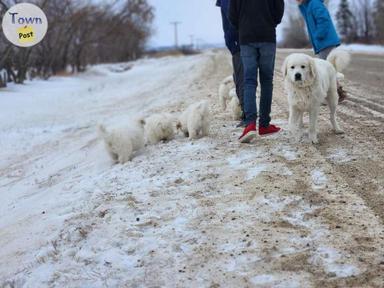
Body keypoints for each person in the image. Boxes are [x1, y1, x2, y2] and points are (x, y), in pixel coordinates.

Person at [229, 0, 285, 143]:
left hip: (246, 38)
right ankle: (264, 124)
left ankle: (250, 124)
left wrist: (243, 26)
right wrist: (269, 22)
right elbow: (279, 11)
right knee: (266, 81)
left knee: (249, 81)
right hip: (267, 36)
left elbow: (232, 16)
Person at [296, 0, 347, 102]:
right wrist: (301, 5)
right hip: (322, 43)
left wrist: (318, 35)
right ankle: (338, 93)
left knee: (326, 70)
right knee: (329, 69)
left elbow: (323, 19)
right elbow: (307, 15)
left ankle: (333, 95)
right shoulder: (308, 5)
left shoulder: (315, 3)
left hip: (326, 41)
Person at [216, 0, 245, 127]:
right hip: (239, 45)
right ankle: (248, 114)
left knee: (244, 80)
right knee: (241, 79)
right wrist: (232, 46)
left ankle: (249, 116)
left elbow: (230, 20)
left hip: (243, 42)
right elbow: (226, 22)